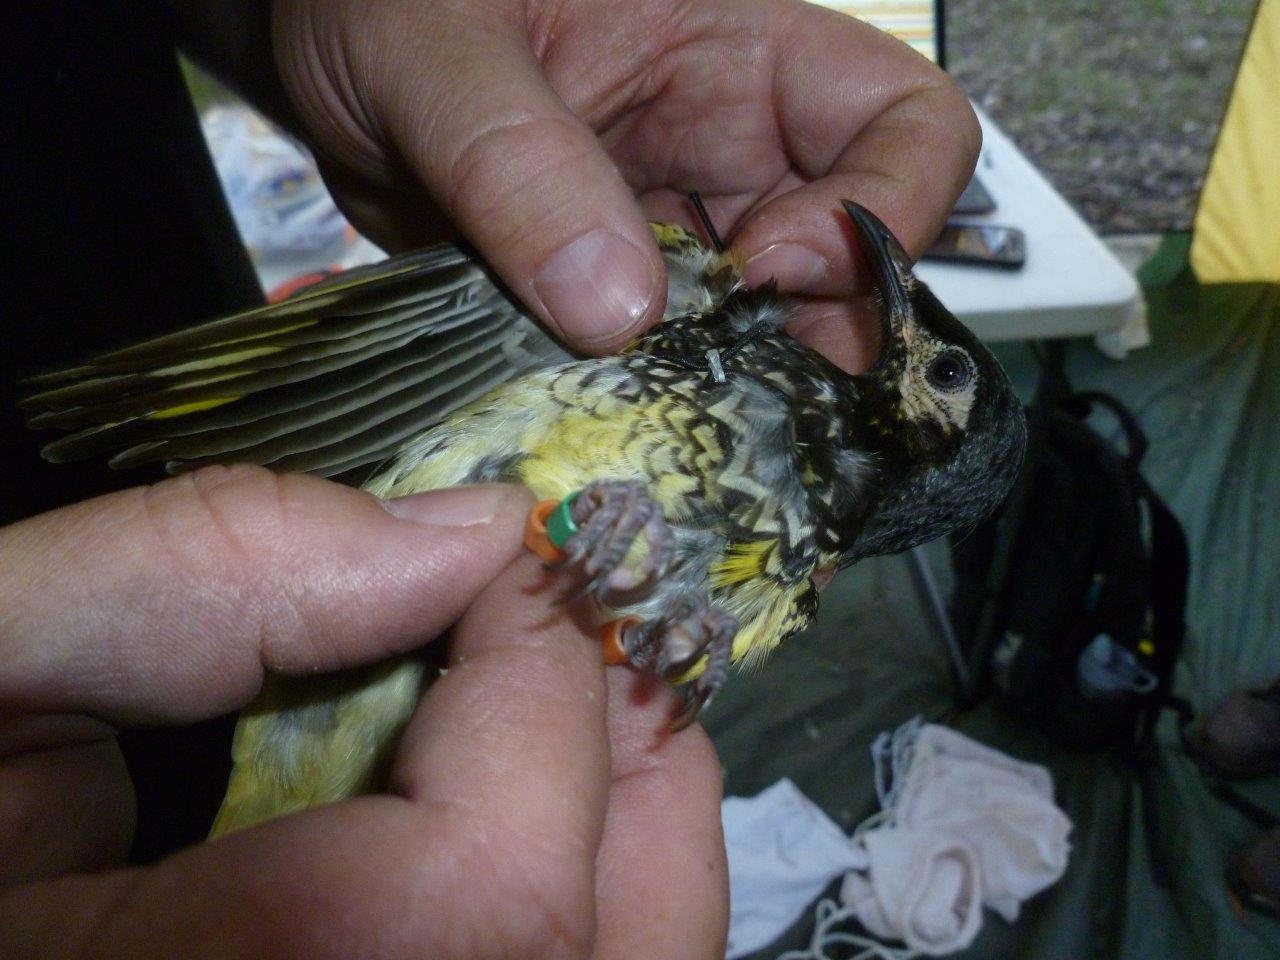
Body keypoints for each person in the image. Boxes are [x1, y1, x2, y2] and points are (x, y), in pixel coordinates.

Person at [0, 0, 979, 955]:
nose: (897, 306)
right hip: (245, 615)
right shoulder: (697, 306)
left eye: (940, 370)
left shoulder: (791, 579)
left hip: (266, 663)